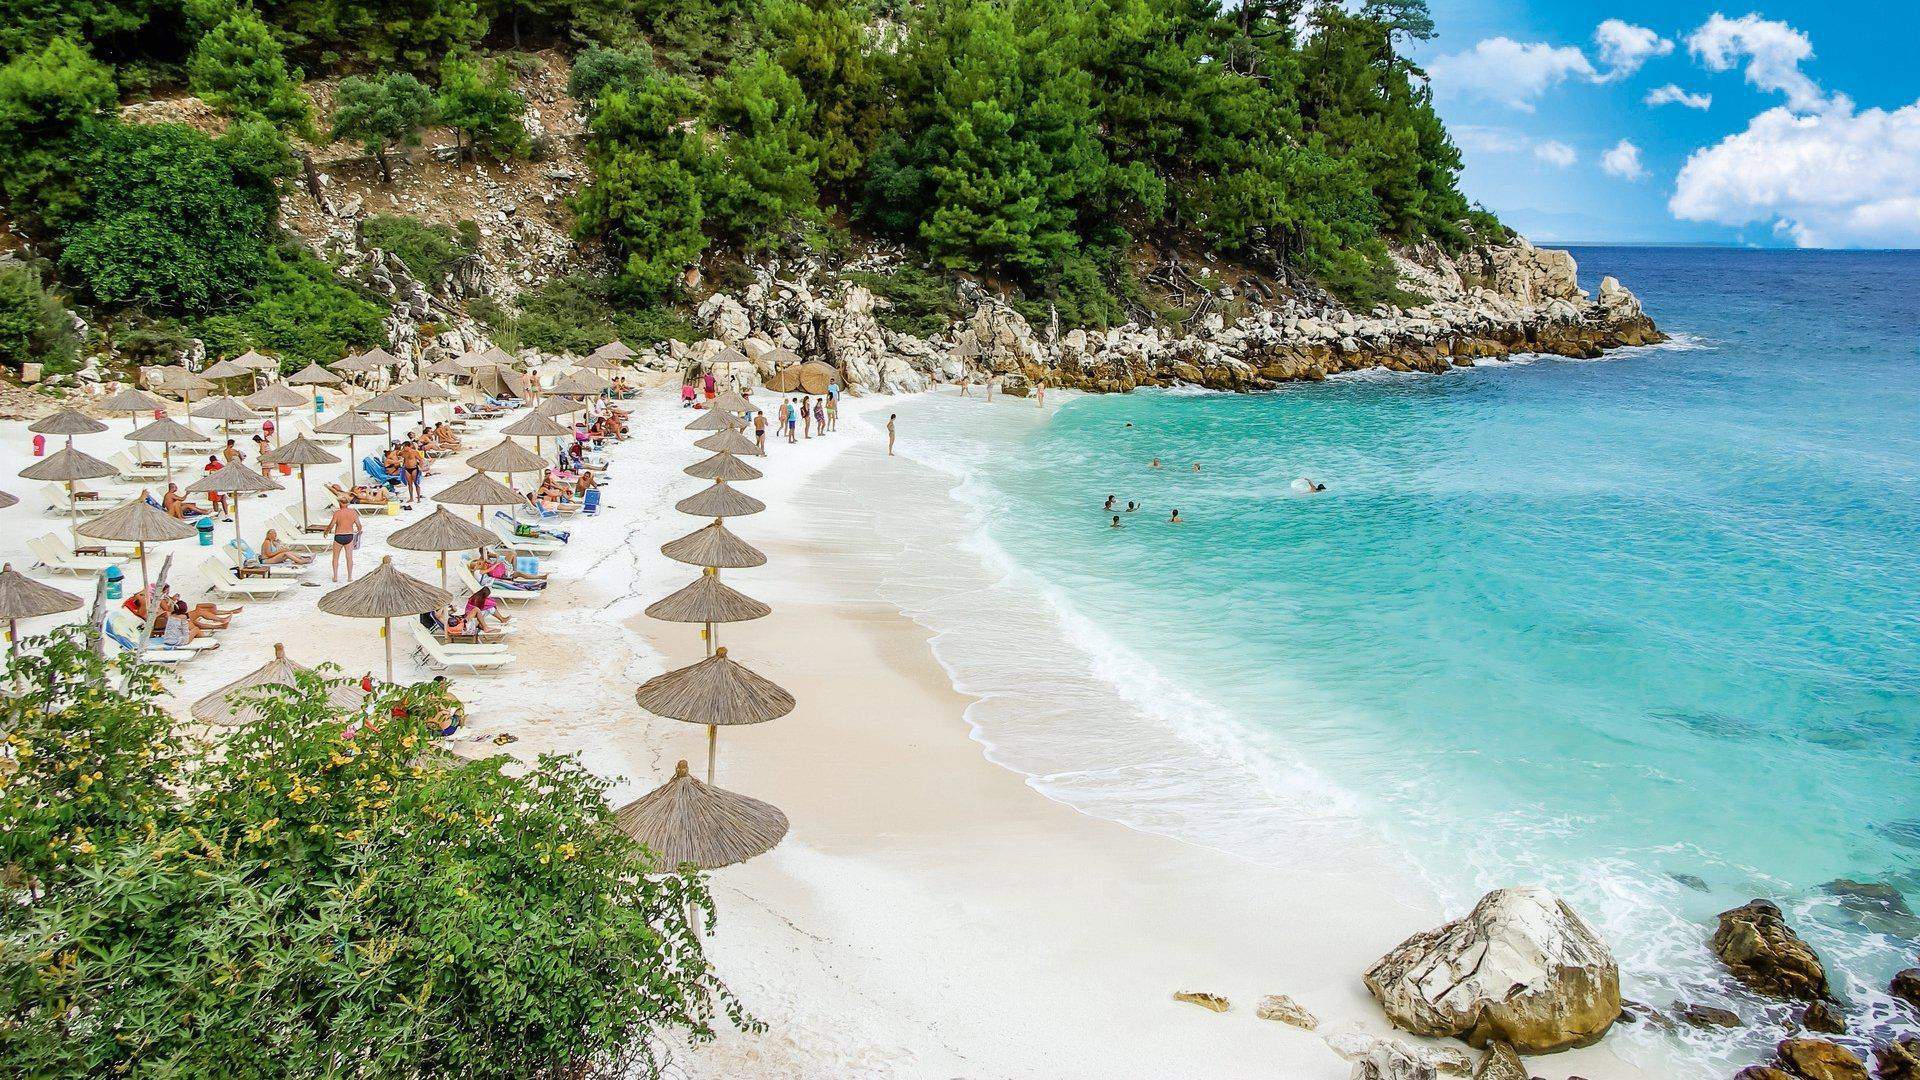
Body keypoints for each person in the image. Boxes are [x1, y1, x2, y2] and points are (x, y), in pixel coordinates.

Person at [328, 498, 362, 582]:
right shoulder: (353, 512)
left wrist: (326, 531)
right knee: (349, 557)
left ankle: (335, 577)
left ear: (340, 504)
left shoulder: (337, 513)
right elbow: (359, 525)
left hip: (339, 536)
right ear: (347, 504)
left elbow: (331, 525)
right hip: (349, 536)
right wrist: (359, 532)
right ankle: (349, 577)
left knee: (335, 557)